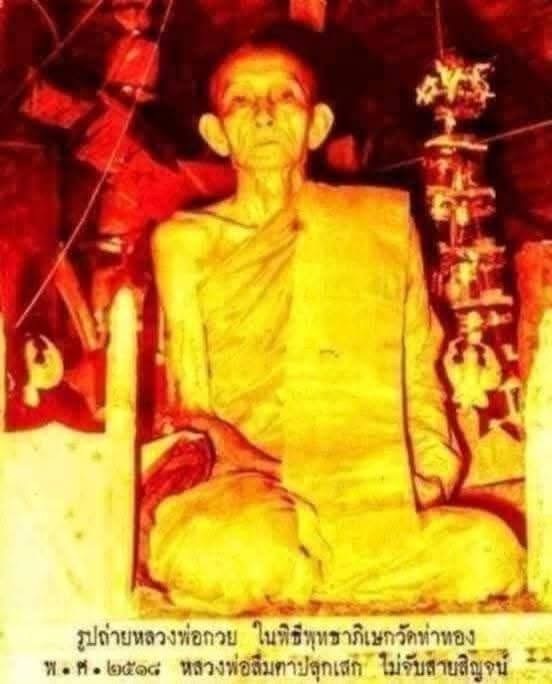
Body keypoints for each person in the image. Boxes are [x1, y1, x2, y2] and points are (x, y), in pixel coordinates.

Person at [147, 24, 524, 614]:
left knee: (488, 551)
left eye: (285, 96)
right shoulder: (187, 242)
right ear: (216, 133)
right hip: (247, 485)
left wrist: (429, 473)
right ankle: (326, 567)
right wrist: (286, 473)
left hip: (368, 483)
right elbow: (192, 410)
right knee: (237, 554)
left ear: (317, 124)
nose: (264, 114)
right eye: (241, 100)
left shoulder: (375, 226)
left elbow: (418, 374)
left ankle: (321, 570)